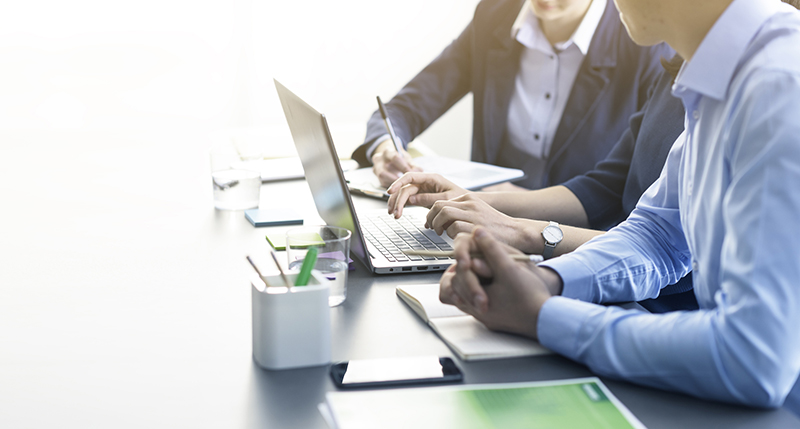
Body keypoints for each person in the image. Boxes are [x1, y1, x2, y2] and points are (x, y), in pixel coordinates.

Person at [440, 0, 800, 413]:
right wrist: (547, 281)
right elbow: (660, 236)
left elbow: (755, 358)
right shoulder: (717, 73)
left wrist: (544, 317)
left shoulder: (780, 84)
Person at [386, 53, 695, 313]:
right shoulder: (678, 69)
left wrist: (522, 233)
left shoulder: (725, 93)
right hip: (606, 288)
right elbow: (604, 188)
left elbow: (672, 254)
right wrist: (473, 200)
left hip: (654, 309)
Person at [352, 0, 672, 190]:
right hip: (477, 227)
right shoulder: (495, 15)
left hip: (576, 241)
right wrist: (385, 148)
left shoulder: (644, 43)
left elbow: (634, 192)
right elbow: (407, 106)